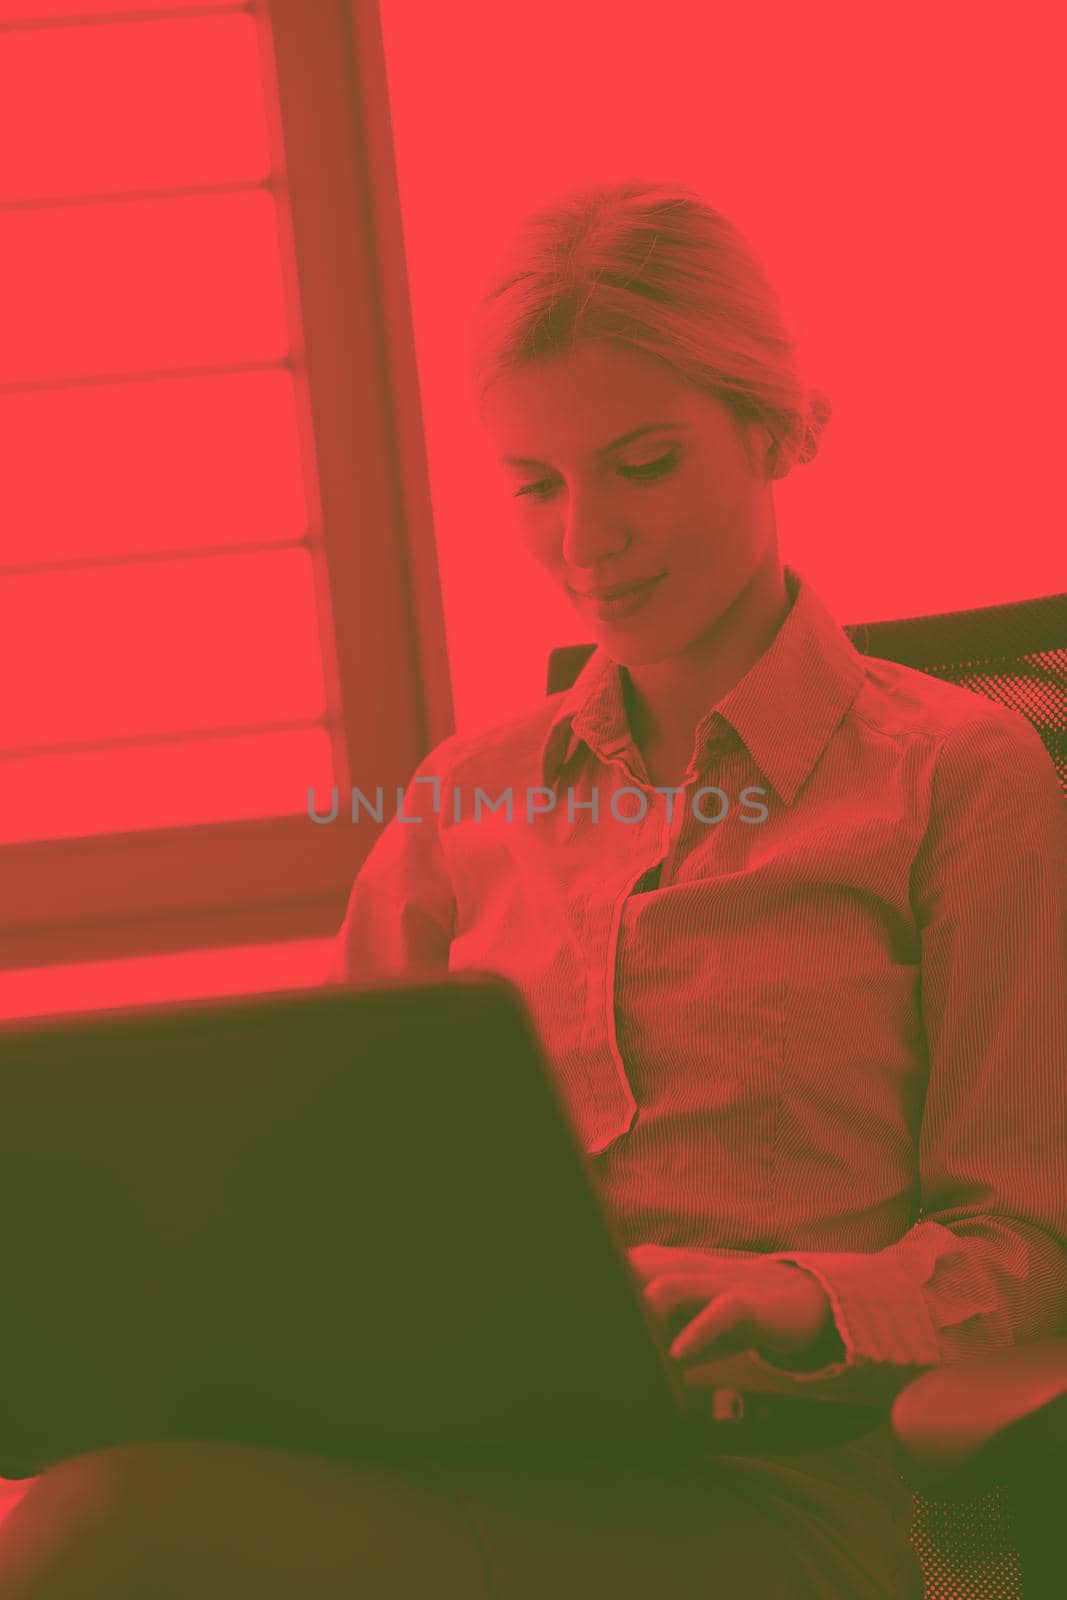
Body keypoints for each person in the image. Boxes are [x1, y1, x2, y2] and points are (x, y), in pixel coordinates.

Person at [1, 179, 1063, 1598]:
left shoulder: (962, 777)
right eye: (536, 485)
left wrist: (803, 1301)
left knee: (103, 1541)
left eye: (641, 463)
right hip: (463, 1454)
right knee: (91, 1492)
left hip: (761, 1496)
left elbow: (1025, 1245)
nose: (586, 541)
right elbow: (315, 1183)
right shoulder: (460, 802)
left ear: (769, 428)